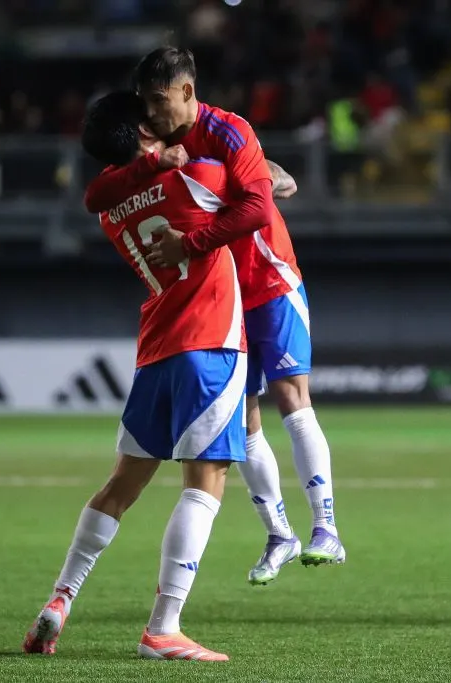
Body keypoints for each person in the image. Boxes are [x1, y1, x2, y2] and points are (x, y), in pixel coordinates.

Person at [84, 47, 345, 587]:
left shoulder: (227, 131)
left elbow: (256, 205)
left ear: (186, 90)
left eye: (159, 101)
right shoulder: (161, 149)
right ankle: (279, 532)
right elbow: (97, 192)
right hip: (223, 301)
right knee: (244, 420)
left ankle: (326, 526)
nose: (151, 115)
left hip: (269, 277)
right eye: (144, 106)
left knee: (292, 398)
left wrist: (194, 242)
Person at [22, 90, 267, 661]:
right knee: (206, 484)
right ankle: (164, 627)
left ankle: (61, 598)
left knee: (121, 485)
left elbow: (100, 192)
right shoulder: (199, 175)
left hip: (156, 348)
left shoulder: (113, 207)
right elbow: (257, 196)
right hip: (210, 343)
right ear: (142, 135)